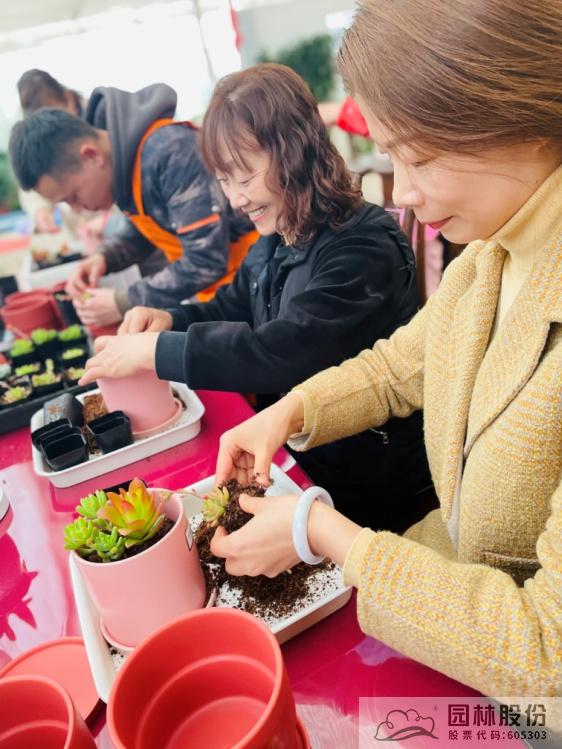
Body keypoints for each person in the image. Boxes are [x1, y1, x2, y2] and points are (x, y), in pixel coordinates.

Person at [206, 0, 562, 706]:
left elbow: (545, 652)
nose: (405, 190)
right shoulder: (487, 256)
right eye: (391, 155)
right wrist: (289, 412)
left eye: (419, 157)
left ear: (523, 114)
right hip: (445, 602)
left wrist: (321, 532)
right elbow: (401, 367)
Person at [79, 63, 436, 532]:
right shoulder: (280, 234)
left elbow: (284, 351)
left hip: (374, 491)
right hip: (301, 465)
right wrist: (168, 320)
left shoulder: (363, 246)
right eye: (225, 181)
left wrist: (156, 352)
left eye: (244, 178)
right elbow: (233, 306)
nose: (234, 200)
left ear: (295, 151)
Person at [8, 84, 255, 327]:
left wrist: (124, 301)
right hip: (218, 300)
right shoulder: (124, 166)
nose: (76, 209)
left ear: (91, 155)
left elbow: (205, 259)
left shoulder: (171, 153)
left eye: (72, 197)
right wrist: (104, 258)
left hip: (255, 285)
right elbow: (149, 228)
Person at [15, 68, 112, 240]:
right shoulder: (39, 138)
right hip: (88, 236)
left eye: (53, 113)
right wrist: (40, 210)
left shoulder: (106, 121)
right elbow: (35, 176)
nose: (51, 126)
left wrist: (111, 221)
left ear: (68, 99)